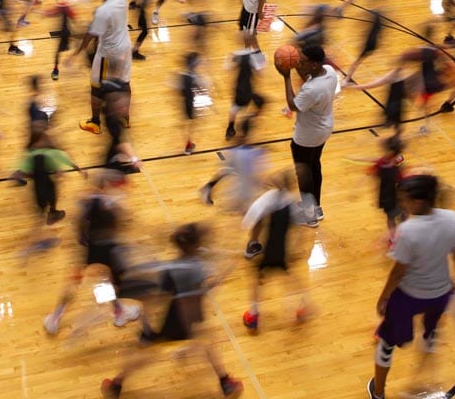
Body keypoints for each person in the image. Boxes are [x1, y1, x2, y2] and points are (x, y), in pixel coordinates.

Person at [98, 223, 245, 399]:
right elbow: (194, 295)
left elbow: (161, 292)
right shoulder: (195, 268)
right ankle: (225, 383)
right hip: (178, 318)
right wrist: (220, 277)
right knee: (207, 342)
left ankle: (116, 385)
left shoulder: (175, 266)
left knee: (144, 351)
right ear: (194, 246)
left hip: (159, 317)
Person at [368, 174, 455, 399]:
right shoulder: (451, 218)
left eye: (405, 199)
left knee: (386, 343)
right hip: (441, 293)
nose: (402, 203)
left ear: (419, 202)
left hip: (409, 296)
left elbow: (398, 272)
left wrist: (383, 297)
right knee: (431, 329)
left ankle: (379, 393)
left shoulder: (408, 230)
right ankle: (429, 343)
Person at [43, 169, 142, 334]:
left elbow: (78, 222)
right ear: (106, 185)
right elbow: (120, 225)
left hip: (89, 247)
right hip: (109, 249)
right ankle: (119, 313)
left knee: (74, 281)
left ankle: (54, 318)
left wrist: (81, 240)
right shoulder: (112, 202)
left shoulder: (86, 200)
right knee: (113, 281)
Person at [240, 169, 312, 333]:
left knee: (257, 281)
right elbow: (301, 229)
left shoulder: (270, 201)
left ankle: (253, 315)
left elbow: (255, 214)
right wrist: (298, 249)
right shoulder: (292, 204)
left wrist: (249, 232)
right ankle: (303, 306)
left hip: (270, 251)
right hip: (283, 251)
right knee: (291, 278)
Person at [70, 0, 132, 135]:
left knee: (96, 87)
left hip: (108, 54)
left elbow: (91, 34)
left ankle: (95, 123)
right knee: (124, 82)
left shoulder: (102, 12)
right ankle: (125, 117)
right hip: (125, 48)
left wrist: (77, 52)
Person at [282, 44, 336, 225]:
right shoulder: (328, 71)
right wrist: (296, 65)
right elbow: (308, 76)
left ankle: (309, 216)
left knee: (304, 174)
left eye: (302, 62)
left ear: (314, 65)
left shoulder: (312, 90)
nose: (299, 63)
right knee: (314, 166)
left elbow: (292, 105)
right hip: (323, 130)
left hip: (306, 137)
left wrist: (286, 76)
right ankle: (316, 207)